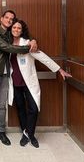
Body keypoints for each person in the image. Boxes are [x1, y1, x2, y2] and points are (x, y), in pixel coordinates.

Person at [8, 18, 72, 148]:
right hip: (14, 82)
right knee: (20, 108)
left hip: (28, 82)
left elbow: (42, 56)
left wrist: (59, 70)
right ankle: (28, 135)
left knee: (33, 108)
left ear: (22, 30)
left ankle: (29, 134)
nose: (16, 30)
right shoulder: (6, 44)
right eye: (14, 27)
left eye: (19, 28)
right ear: (10, 29)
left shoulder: (27, 44)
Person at [0, 10, 38, 148]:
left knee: (1, 106)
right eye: (7, 18)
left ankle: (1, 132)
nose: (9, 20)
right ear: (1, 19)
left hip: (5, 75)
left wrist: (33, 40)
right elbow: (8, 48)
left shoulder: (9, 34)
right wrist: (28, 47)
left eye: (12, 19)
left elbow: (20, 35)